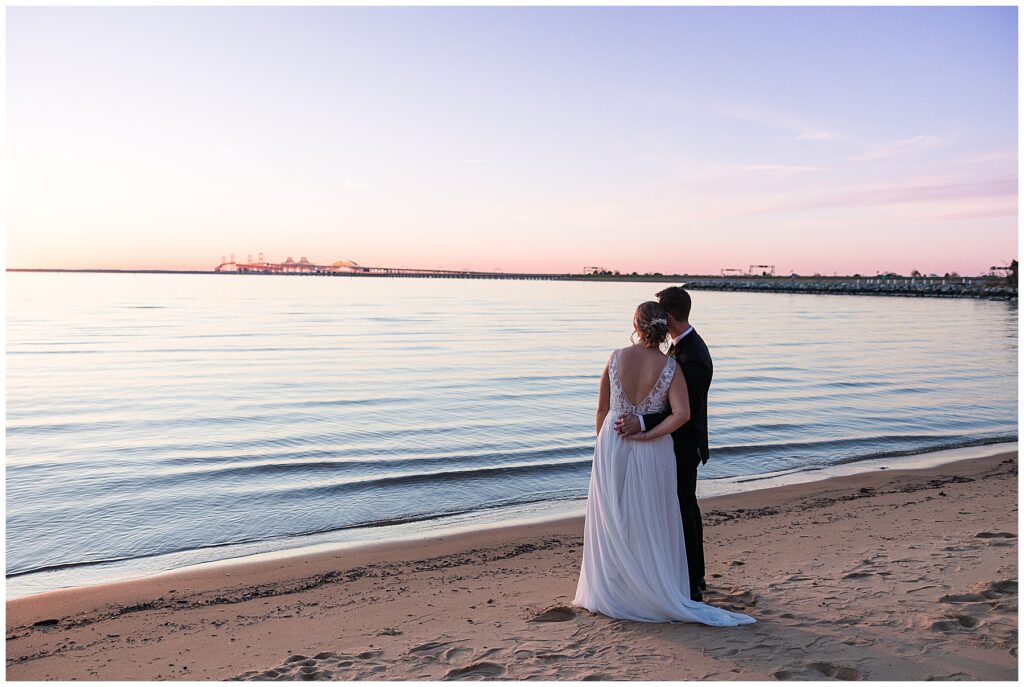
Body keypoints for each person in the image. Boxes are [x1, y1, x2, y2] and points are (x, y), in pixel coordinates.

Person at [572, 301, 754, 626]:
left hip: (613, 443)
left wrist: (604, 445)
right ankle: (650, 584)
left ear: (636, 325)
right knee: (651, 516)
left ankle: (615, 587)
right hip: (653, 449)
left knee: (615, 515)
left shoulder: (615, 358)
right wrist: (648, 434)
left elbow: (601, 410)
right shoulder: (671, 367)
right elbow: (682, 415)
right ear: (662, 326)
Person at [615, 286, 711, 601]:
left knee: (683, 510)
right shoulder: (682, 347)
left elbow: (683, 410)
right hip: (673, 441)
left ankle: (692, 583)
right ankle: (691, 576)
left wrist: (641, 422)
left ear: (667, 316)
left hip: (683, 444)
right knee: (682, 509)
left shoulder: (691, 356)